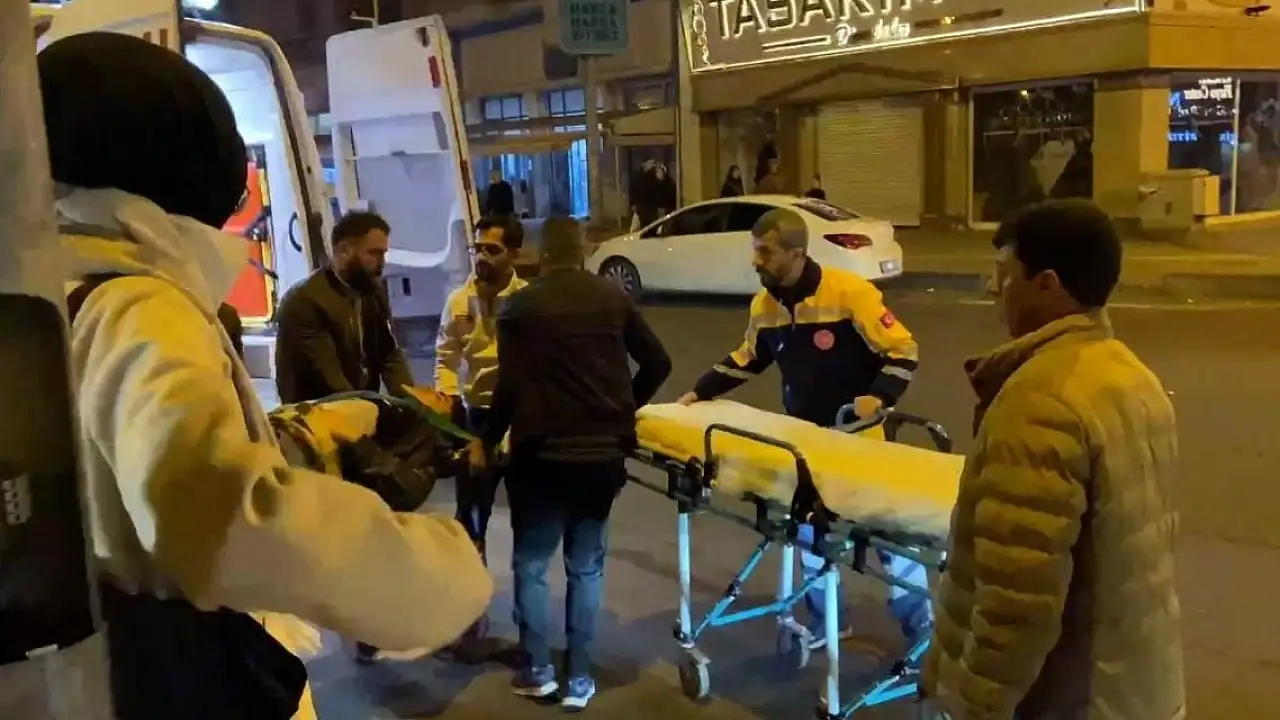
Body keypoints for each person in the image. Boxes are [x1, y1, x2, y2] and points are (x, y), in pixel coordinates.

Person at [38, 32, 492, 718]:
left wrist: (306, 434)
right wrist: (437, 574)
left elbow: (141, 453)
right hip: (184, 673)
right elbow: (218, 511)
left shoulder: (62, 289)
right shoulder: (138, 302)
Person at [921, 200, 1185, 720]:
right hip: (1137, 684)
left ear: (1046, 284)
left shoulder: (1039, 401)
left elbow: (1016, 604)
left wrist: (973, 706)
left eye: (1004, 274)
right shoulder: (1131, 376)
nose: (993, 289)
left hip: (1067, 698)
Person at [675, 208, 929, 651]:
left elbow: (903, 350)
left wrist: (880, 396)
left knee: (888, 538)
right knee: (811, 535)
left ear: (796, 255)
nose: (755, 261)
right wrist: (699, 392)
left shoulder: (849, 293)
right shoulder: (765, 306)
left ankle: (922, 630)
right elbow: (748, 358)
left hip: (862, 437)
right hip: (806, 440)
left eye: (765, 252)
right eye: (755, 250)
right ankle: (829, 619)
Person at [472, 216, 672, 709]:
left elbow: (509, 386)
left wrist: (487, 439)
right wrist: (623, 408)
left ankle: (538, 671)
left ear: (541, 255)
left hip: (540, 455)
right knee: (585, 566)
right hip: (602, 455)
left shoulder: (521, 307)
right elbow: (658, 362)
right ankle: (580, 678)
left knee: (532, 563)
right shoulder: (612, 298)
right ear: (582, 251)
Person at [435, 215, 528, 654]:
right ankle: (470, 612)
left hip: (521, 421)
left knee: (529, 518)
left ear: (515, 254)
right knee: (471, 517)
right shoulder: (458, 301)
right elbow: (445, 358)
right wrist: (449, 406)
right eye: (477, 248)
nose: (481, 257)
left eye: (492, 249)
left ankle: (530, 617)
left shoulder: (527, 303)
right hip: (475, 422)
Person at [274, 210, 414, 406]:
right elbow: (328, 378)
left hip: (359, 405)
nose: (382, 262)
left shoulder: (372, 291)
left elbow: (389, 354)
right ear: (343, 251)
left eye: (383, 254)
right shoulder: (304, 302)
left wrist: (412, 402)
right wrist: (376, 410)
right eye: (373, 253)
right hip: (318, 412)